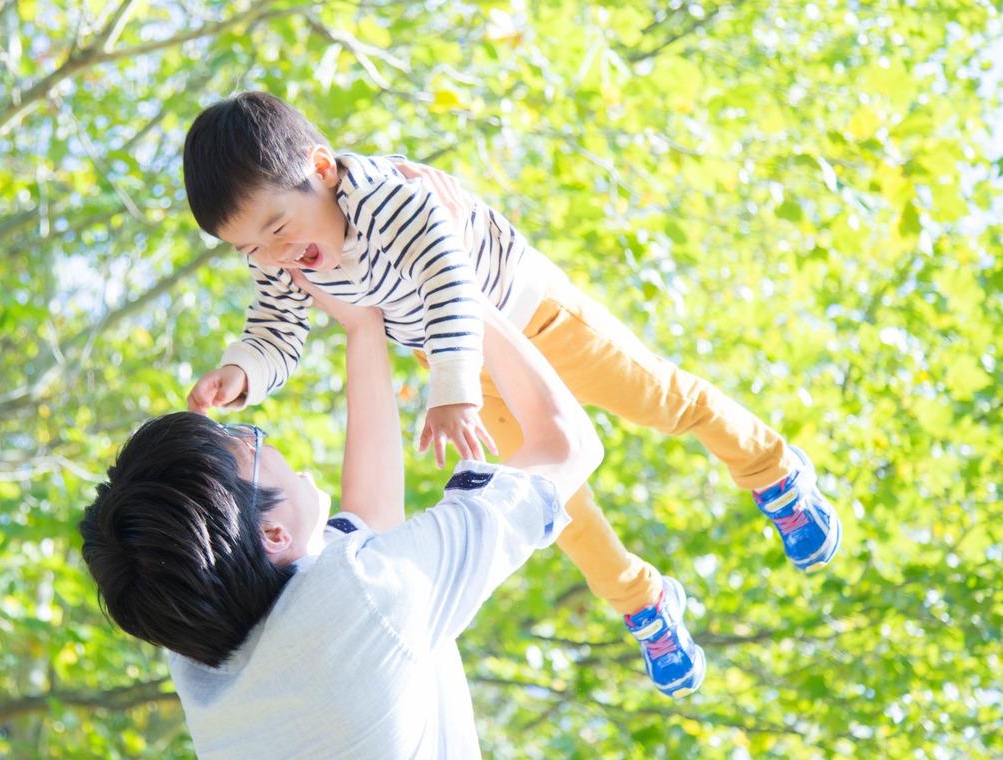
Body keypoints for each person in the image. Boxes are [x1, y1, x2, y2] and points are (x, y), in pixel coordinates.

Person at [181, 91, 842, 697]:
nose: (275, 255)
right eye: (250, 248)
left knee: (662, 400)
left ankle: (771, 468)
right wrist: (244, 371)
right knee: (553, 497)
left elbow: (449, 281)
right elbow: (275, 324)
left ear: (322, 170)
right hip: (464, 368)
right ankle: (643, 602)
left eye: (277, 228)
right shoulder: (281, 259)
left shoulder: (390, 200)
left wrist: (452, 390)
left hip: (533, 319)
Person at [79, 277, 606, 758]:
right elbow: (567, 446)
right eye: (249, 443)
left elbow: (369, 530)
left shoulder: (201, 658)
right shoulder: (362, 601)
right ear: (271, 533)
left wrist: (363, 325)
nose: (267, 442)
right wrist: (451, 281)